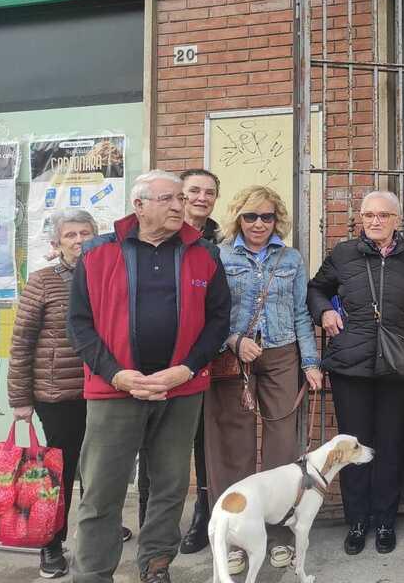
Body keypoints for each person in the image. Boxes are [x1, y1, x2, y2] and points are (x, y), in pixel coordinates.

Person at [66, 170, 230, 583]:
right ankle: (92, 574)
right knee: (102, 491)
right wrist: (116, 374)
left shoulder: (204, 254)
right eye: (168, 199)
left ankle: (156, 566)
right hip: (114, 390)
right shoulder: (98, 253)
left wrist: (186, 368)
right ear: (139, 205)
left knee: (170, 487)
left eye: (180, 198)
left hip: (181, 390)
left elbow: (218, 321)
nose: (179, 206)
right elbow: (79, 326)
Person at [307, 190, 404, 556]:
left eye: (383, 215)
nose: (375, 221)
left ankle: (384, 520)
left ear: (398, 220)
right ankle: (357, 521)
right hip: (351, 366)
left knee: (391, 445)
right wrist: (324, 312)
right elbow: (316, 289)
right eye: (368, 215)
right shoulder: (344, 254)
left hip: (396, 366)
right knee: (353, 446)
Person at [204, 185, 323, 575]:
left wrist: (310, 361)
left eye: (267, 216)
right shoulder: (219, 255)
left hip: (282, 354)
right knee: (231, 447)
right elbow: (210, 313)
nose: (258, 223)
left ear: (277, 220)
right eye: (251, 216)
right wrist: (234, 342)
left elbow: (301, 312)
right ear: (238, 217)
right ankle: (233, 536)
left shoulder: (290, 257)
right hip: (231, 359)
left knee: (282, 447)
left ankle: (280, 534)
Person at [137, 167, 222, 552]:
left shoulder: (220, 240)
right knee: (150, 451)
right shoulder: (147, 239)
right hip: (146, 369)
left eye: (209, 192)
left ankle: (201, 517)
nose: (200, 198)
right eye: (192, 192)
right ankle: (148, 527)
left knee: (202, 444)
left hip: (201, 361)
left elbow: (219, 307)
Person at [9, 210, 98, 578]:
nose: (79, 240)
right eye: (70, 235)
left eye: (85, 233)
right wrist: (19, 399)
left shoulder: (107, 275)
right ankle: (51, 543)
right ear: (56, 243)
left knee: (99, 468)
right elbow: (22, 342)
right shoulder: (44, 281)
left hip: (105, 389)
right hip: (58, 394)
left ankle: (96, 531)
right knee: (60, 472)